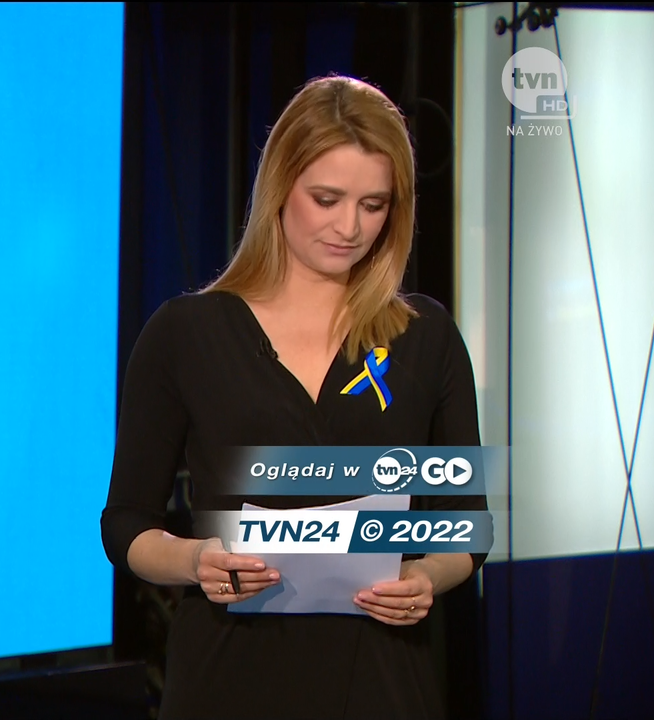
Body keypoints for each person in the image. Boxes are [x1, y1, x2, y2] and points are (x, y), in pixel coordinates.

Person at [100, 75, 488, 719]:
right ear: (280, 187)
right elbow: (125, 523)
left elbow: (466, 526)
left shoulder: (426, 338)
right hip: (227, 682)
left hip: (382, 683)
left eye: (373, 205)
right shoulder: (185, 333)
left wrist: (426, 577)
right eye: (326, 199)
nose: (349, 227)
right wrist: (195, 560)